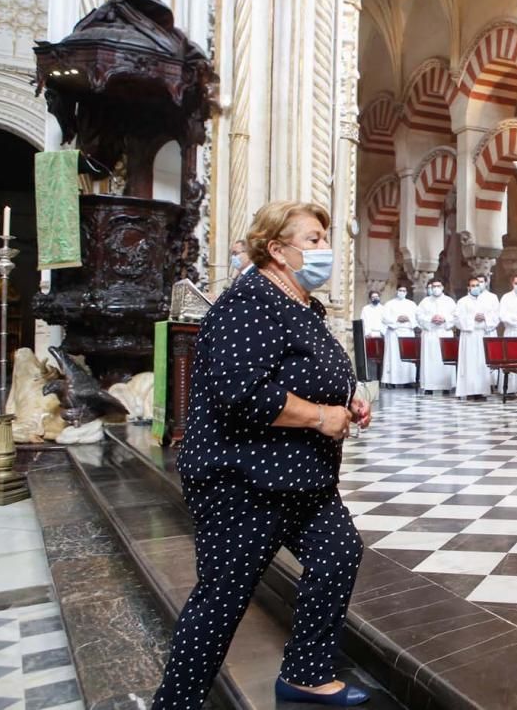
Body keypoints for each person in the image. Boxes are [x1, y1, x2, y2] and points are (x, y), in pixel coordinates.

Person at [151, 201, 370, 709]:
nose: (324, 249)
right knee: (222, 599)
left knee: (338, 555)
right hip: (244, 479)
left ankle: (306, 674)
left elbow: (311, 373)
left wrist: (346, 401)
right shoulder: (248, 302)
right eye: (312, 240)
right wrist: (320, 417)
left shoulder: (303, 307)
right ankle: (175, 703)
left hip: (301, 479)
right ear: (276, 249)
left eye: (323, 237)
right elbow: (241, 391)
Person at [453, 277, 498, 401]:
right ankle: (469, 391)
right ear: (468, 288)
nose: (475, 288)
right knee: (470, 363)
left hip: (482, 334)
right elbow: (457, 319)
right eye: (473, 285)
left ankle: (481, 390)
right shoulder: (462, 302)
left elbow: (495, 317)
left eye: (477, 285)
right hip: (469, 336)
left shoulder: (486, 302)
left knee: (482, 364)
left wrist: (485, 318)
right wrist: (472, 319)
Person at [416, 279, 456, 394]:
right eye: (434, 286)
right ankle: (429, 386)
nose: (436, 288)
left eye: (438, 286)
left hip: (444, 332)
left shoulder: (449, 301)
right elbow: (419, 316)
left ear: (443, 287)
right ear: (430, 288)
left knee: (444, 360)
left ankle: (446, 386)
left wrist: (444, 319)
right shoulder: (425, 301)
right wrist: (431, 319)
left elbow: (455, 316)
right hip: (430, 334)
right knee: (430, 360)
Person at [381, 286, 418, 387]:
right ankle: (391, 381)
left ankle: (409, 381)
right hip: (394, 333)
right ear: (397, 291)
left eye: (404, 290)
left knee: (407, 359)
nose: (402, 292)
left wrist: (408, 318)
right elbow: (384, 318)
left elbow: (417, 317)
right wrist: (396, 319)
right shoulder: (389, 304)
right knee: (393, 357)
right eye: (400, 290)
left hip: (408, 332)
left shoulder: (412, 304)